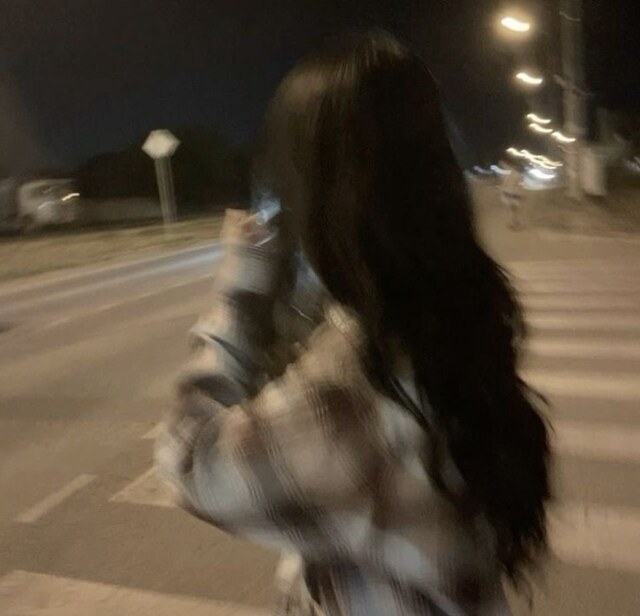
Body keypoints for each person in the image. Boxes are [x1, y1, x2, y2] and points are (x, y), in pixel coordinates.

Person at [156, 32, 550, 616]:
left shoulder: (353, 387)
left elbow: (190, 463)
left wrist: (241, 293)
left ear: (318, 190)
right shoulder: (448, 312)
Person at [499, 160, 524, 230]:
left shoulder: (508, 174)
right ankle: (515, 222)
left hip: (508, 193)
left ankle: (512, 223)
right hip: (516, 194)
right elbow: (521, 185)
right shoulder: (520, 175)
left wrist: (501, 190)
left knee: (510, 210)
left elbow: (504, 184)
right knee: (515, 210)